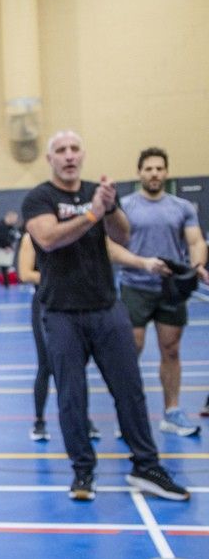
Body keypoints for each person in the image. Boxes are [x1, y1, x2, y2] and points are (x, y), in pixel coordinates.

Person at [21, 130, 189, 503]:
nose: (68, 156)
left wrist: (109, 209)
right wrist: (93, 212)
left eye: (74, 149)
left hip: (106, 309)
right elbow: (48, 239)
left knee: (129, 390)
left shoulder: (97, 196)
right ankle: (83, 472)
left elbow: (121, 237)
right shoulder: (39, 199)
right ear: (50, 159)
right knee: (71, 396)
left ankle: (146, 465)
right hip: (62, 312)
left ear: (83, 156)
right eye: (60, 150)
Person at [115, 147, 207, 437]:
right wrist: (140, 264)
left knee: (171, 350)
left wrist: (198, 265)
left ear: (166, 173)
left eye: (159, 168)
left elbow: (195, 241)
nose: (154, 173)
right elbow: (112, 244)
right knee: (132, 351)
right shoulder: (126, 206)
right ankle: (128, 416)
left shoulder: (182, 207)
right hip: (135, 286)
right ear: (139, 172)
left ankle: (172, 412)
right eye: (149, 168)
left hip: (171, 289)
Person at [18, 234, 99, 444]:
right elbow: (25, 274)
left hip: (74, 302)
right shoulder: (31, 237)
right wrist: (56, 276)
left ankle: (83, 418)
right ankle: (39, 421)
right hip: (46, 303)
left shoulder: (71, 234)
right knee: (46, 364)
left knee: (77, 364)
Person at [0, 210, 21, 288]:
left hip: (6, 250)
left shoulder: (11, 227)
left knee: (5, 267)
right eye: (14, 218)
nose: (15, 220)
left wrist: (10, 247)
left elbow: (13, 237)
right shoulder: (0, 225)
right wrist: (6, 247)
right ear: (9, 217)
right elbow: (1, 238)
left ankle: (6, 284)